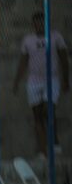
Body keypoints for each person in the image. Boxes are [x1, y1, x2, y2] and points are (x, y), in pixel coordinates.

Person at [13, 12, 69, 156]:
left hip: (52, 79)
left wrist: (66, 80)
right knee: (37, 116)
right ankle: (43, 151)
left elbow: (64, 59)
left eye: (41, 22)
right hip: (33, 81)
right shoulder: (28, 40)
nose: (39, 25)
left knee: (48, 111)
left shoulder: (56, 37)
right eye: (36, 22)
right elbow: (23, 61)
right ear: (33, 24)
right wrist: (16, 81)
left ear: (46, 23)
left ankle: (55, 142)